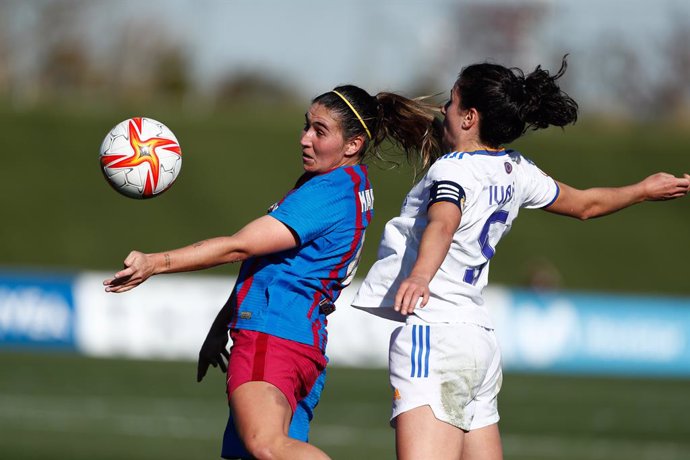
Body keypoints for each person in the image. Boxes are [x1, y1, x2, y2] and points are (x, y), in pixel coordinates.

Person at [351, 56, 690, 460]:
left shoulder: (453, 171)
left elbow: (443, 222)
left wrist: (421, 275)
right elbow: (585, 205)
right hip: (479, 338)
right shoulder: (515, 169)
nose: (443, 108)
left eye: (453, 102)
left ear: (469, 117)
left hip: (435, 331)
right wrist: (643, 189)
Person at [103, 84, 439, 460]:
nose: (305, 139)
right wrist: (221, 326)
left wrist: (155, 263)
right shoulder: (345, 186)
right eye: (306, 126)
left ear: (353, 145)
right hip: (296, 341)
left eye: (320, 131)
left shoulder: (330, 192)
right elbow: (265, 263)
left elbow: (239, 246)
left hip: (272, 338)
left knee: (266, 446)